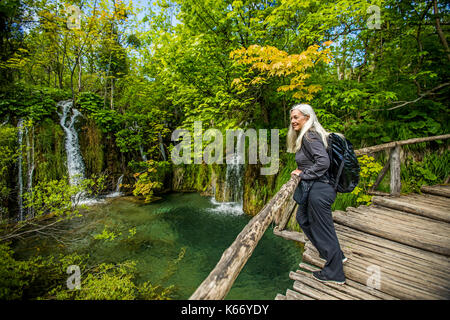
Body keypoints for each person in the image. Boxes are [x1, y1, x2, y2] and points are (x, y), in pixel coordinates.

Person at [287, 103, 347, 285]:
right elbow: (314, 160)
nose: (293, 121)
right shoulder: (309, 135)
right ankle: (336, 255)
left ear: (307, 117)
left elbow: (323, 162)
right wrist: (303, 169)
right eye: (291, 118)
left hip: (319, 190)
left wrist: (304, 174)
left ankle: (335, 273)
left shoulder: (309, 135)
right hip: (314, 188)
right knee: (303, 218)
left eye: (296, 117)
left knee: (324, 229)